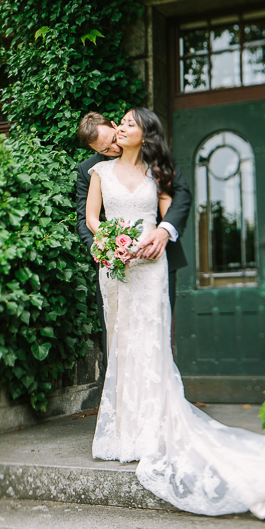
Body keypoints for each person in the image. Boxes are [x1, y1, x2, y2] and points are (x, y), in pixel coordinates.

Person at [83, 107, 265, 517]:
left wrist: (161, 231)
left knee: (151, 343)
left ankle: (155, 428)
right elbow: (91, 218)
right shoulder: (97, 172)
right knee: (121, 344)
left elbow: (171, 206)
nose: (119, 130)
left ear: (145, 133)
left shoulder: (159, 172)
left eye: (127, 124)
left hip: (152, 265)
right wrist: (103, 243)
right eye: (116, 125)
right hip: (117, 269)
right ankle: (124, 433)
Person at [76, 111, 191, 359]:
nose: (114, 149)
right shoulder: (91, 170)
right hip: (115, 264)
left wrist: (164, 231)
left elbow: (179, 194)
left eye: (113, 141)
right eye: (105, 150)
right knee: (118, 341)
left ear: (115, 126)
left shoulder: (153, 153)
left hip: (157, 258)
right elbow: (85, 220)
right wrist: (106, 250)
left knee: (157, 337)